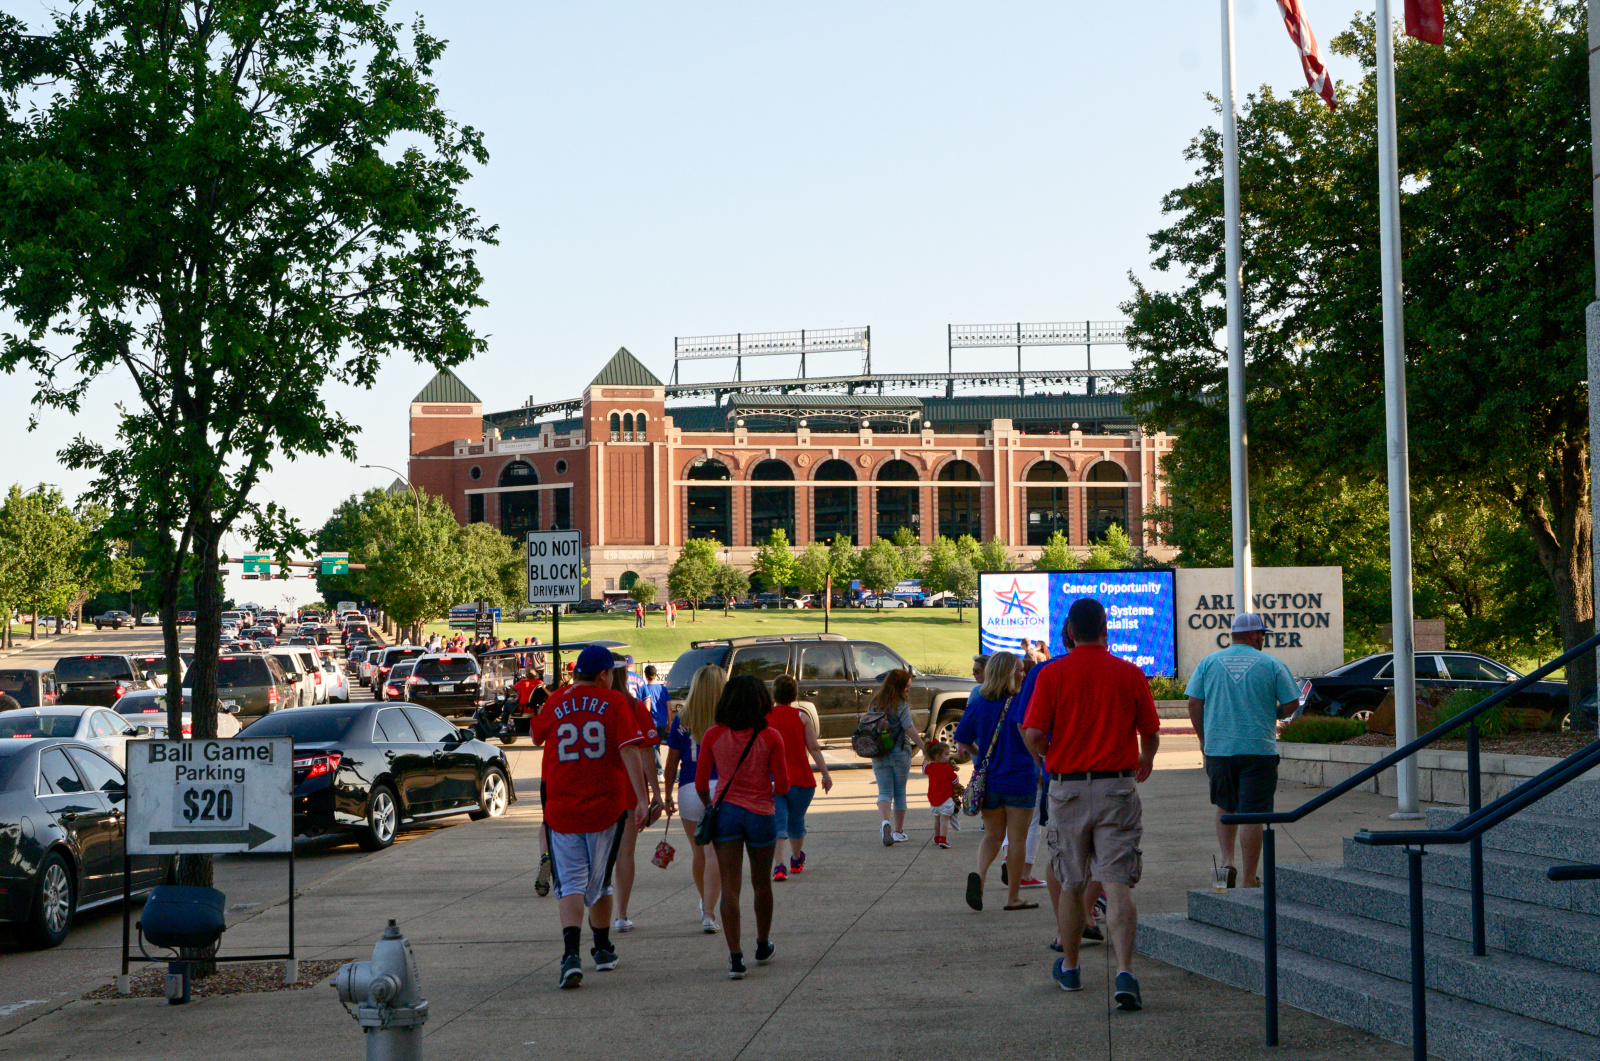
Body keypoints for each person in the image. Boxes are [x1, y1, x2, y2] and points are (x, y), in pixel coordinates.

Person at [1022, 597, 1159, 1009]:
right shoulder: (1130, 673)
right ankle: (1125, 971)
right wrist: (1146, 759)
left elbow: (1032, 733)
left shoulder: (1052, 673)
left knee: (1071, 882)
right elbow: (1150, 731)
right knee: (1116, 884)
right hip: (1117, 787)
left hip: (1067, 788)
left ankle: (1071, 966)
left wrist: (1049, 756)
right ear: (1106, 629)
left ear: (1069, 632)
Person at [529, 643, 651, 989]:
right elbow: (629, 748)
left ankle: (570, 955)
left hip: (561, 805)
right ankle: (601, 946)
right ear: (603, 674)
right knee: (600, 880)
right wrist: (642, 799)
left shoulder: (557, 699)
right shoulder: (613, 701)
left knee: (569, 882)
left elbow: (536, 733)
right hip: (606, 807)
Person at [1186, 612, 1300, 889]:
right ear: (1253, 635)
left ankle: (1227, 863)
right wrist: (1270, 712)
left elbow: (1193, 703)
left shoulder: (1208, 663)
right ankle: (1249, 878)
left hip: (1219, 750)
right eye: (1262, 634)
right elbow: (1292, 703)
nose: (1263, 638)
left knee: (1225, 806)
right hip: (1258, 750)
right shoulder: (1271, 663)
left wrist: (1203, 738)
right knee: (1253, 812)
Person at [697, 675, 789, 979]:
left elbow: (700, 783)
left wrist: (711, 804)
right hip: (761, 812)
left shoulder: (712, 735)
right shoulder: (771, 736)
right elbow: (784, 785)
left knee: (729, 886)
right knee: (761, 883)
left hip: (726, 813)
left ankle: (735, 957)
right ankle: (762, 944)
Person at [955, 651, 1041, 911]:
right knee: (1017, 840)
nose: (1023, 674)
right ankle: (1013, 897)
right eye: (1019, 670)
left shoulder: (979, 703)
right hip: (1020, 780)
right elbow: (1033, 735)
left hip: (989, 780)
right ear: (1007, 673)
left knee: (993, 836)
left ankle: (979, 875)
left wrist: (979, 755)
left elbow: (961, 740)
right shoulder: (1022, 702)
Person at [663, 663, 725, 932]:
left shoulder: (683, 719)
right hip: (720, 788)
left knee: (699, 851)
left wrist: (666, 796)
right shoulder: (728, 718)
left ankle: (704, 901)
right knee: (716, 855)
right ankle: (710, 912)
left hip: (689, 788)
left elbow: (670, 765)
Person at [609, 658, 662, 934]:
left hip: (600, 787)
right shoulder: (632, 706)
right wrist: (655, 793)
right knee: (624, 854)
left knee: (599, 853)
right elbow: (645, 751)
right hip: (629, 789)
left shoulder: (596, 705)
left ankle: (599, 909)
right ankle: (621, 914)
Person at [766, 674, 833, 880]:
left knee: (779, 822)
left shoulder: (764, 717)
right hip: (801, 780)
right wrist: (825, 774)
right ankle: (796, 858)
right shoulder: (802, 717)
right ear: (794, 694)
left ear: (774, 694)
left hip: (774, 779)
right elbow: (813, 747)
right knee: (796, 821)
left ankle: (779, 865)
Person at [866, 668, 927, 845]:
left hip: (879, 752)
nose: (909, 689)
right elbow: (909, 728)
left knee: (884, 791)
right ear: (899, 687)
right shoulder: (901, 704)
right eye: (907, 686)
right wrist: (923, 747)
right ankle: (898, 832)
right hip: (900, 752)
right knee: (899, 792)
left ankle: (885, 822)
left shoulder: (875, 702)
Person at [923, 742, 958, 849]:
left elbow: (924, 767)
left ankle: (937, 837)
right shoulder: (947, 769)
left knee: (937, 819)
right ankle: (943, 839)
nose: (949, 756)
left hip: (934, 799)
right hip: (945, 799)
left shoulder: (931, 767)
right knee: (944, 820)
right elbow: (955, 781)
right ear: (938, 756)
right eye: (946, 754)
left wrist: (926, 757)